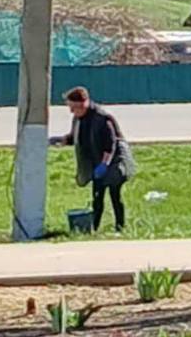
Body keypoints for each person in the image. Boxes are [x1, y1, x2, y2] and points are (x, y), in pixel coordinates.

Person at [50, 87, 134, 233]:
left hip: (113, 162)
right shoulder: (78, 118)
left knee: (115, 195)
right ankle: (93, 227)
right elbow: (77, 137)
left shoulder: (102, 118)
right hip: (97, 161)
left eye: (74, 107)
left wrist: (104, 165)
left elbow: (110, 144)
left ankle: (120, 227)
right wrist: (62, 140)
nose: (71, 111)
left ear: (84, 103)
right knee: (97, 197)